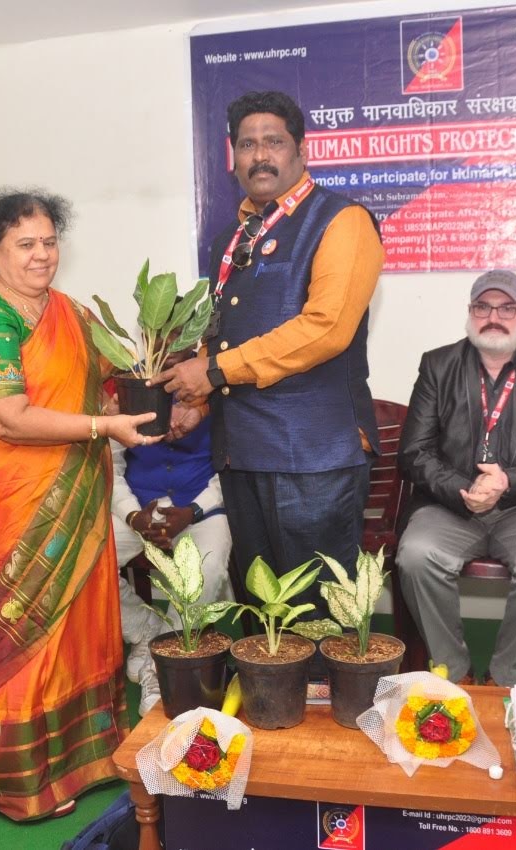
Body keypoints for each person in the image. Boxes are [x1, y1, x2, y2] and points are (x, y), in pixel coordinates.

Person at [0, 189, 156, 821]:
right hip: (17, 495)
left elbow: (104, 384)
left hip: (78, 487)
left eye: (49, 241)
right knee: (30, 631)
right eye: (25, 244)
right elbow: (6, 418)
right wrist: (101, 426)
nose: (41, 255)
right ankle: (19, 782)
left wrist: (138, 394)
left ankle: (84, 759)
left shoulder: (70, 311)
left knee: (82, 624)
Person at [156, 90, 384, 613]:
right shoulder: (231, 239)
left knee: (317, 615)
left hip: (313, 460)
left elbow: (326, 329)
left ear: (301, 150)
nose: (260, 155)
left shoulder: (342, 220)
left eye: (274, 142)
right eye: (247, 144)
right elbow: (226, 332)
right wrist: (198, 400)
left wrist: (214, 372)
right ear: (233, 157)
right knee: (263, 618)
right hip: (240, 454)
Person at [396, 270, 516, 686]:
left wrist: (507, 481)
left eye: (506, 308)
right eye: (483, 307)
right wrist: (463, 489)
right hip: (449, 505)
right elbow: (413, 452)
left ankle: (505, 678)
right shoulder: (438, 365)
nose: (494, 318)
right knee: (416, 555)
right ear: (470, 312)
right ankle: (453, 674)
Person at [111, 411, 233, 714]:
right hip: (137, 508)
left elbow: (231, 466)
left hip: (202, 509)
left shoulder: (218, 391)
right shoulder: (127, 394)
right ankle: (145, 629)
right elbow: (110, 464)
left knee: (207, 568)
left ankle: (160, 666)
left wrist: (194, 510)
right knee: (81, 559)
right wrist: (131, 514)